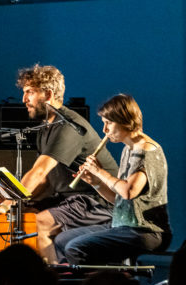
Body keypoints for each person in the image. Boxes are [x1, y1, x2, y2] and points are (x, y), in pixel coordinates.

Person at [12, 64, 117, 263]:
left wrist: (10, 202)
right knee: (25, 213)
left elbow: (40, 171)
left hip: (97, 201)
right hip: (72, 200)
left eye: (30, 93)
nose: (24, 99)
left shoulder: (68, 127)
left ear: (48, 94)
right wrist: (16, 203)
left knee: (41, 222)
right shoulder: (46, 127)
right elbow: (45, 183)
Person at [55, 94, 171, 264]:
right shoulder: (128, 149)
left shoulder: (146, 151)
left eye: (108, 123)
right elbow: (119, 200)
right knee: (62, 239)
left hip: (146, 231)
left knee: (75, 248)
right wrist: (95, 182)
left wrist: (100, 172)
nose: (104, 130)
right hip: (124, 226)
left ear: (124, 120)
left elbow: (129, 191)